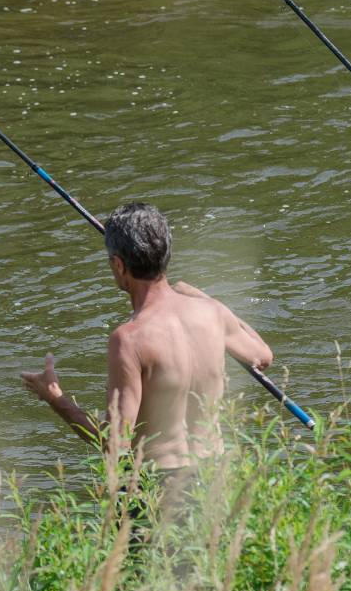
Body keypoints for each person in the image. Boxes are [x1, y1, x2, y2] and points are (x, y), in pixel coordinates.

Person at [20, 202, 273, 514]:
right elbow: (262, 356)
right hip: (216, 477)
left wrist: (55, 398)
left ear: (118, 265)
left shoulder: (129, 339)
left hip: (158, 489)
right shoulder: (214, 314)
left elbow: (116, 443)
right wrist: (207, 300)